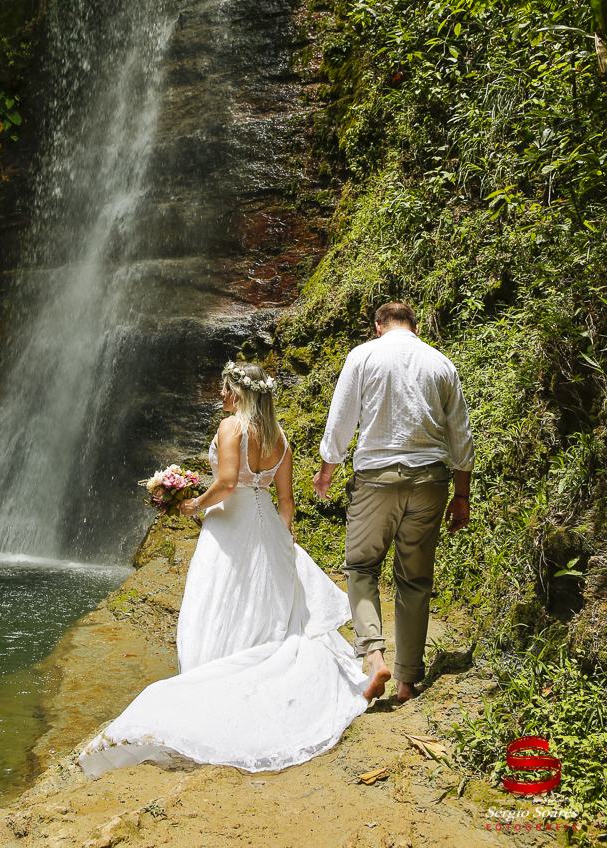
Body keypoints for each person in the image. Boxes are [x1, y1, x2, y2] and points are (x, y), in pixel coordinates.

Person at [78, 361, 368, 777]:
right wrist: (284, 537)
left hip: (230, 524)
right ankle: (242, 660)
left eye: (225, 387)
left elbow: (229, 481)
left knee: (214, 599)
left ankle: (206, 678)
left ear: (240, 391)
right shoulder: (280, 438)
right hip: (265, 520)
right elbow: (285, 500)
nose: (221, 394)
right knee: (260, 599)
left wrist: (195, 503)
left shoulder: (231, 427)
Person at [313, 302, 474, 705]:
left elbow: (342, 418)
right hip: (431, 482)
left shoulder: (364, 355)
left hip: (377, 480)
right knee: (415, 580)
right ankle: (407, 682)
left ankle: (375, 655)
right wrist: (462, 496)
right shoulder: (441, 364)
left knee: (362, 565)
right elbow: (462, 437)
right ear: (416, 327)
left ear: (378, 326)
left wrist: (326, 469)